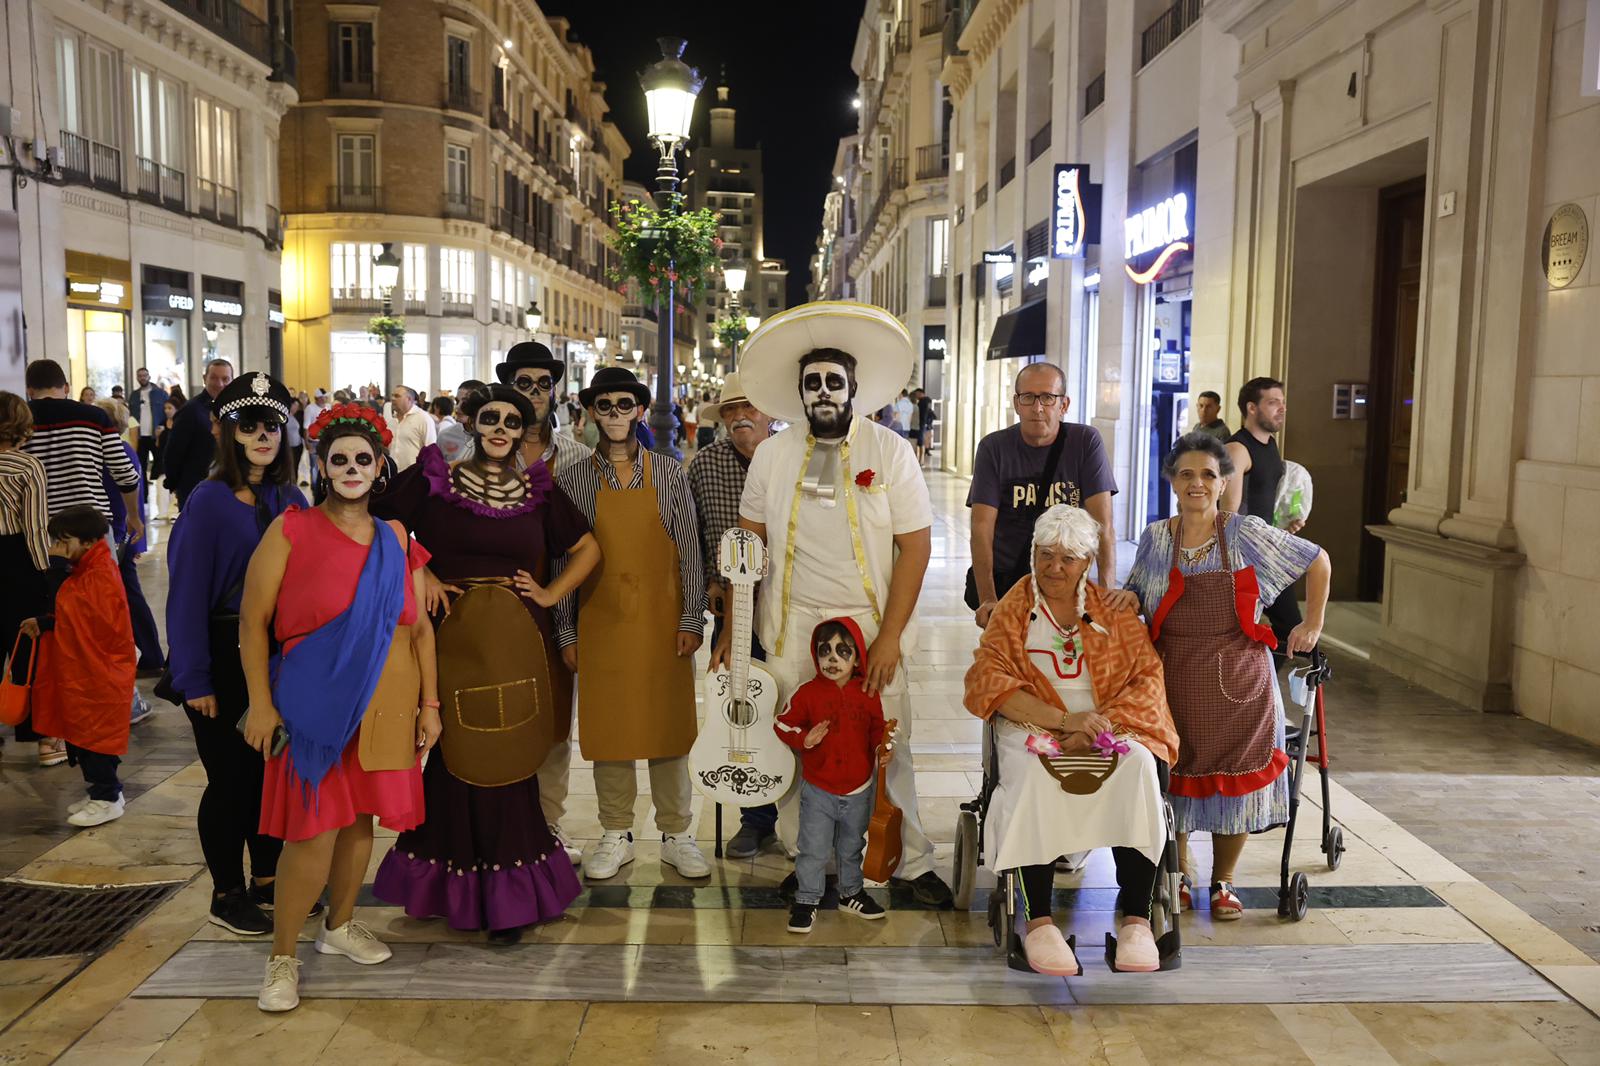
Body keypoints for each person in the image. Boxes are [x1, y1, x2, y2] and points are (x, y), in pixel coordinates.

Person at [719, 301, 952, 907]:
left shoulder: (890, 451)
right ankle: (810, 861)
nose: (823, 392)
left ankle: (906, 858)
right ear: (799, 392)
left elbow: (916, 548)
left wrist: (891, 636)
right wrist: (732, 626)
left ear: (852, 388)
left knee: (886, 742)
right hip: (794, 627)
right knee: (801, 744)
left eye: (833, 381)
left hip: (870, 623)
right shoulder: (772, 453)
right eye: (812, 383)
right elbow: (747, 544)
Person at [371, 386, 600, 943]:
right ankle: (450, 888)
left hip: (519, 640)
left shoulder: (540, 491)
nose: (501, 428)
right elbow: (378, 522)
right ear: (475, 423)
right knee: (453, 752)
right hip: (451, 639)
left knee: (512, 755)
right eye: (492, 418)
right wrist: (419, 570)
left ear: (525, 431)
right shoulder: (436, 479)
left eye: (513, 421)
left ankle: (508, 896)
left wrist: (548, 593)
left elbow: (589, 548)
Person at [240, 407, 440, 1013]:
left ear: (380, 467)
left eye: (362, 459)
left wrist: (430, 704)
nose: (351, 469)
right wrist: (259, 703)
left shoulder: (396, 537)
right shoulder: (290, 530)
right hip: (314, 703)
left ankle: (339, 926)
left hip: (385, 704)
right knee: (314, 830)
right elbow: (253, 622)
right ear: (322, 467)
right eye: (339, 459)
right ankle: (282, 958)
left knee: (360, 821)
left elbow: (421, 628)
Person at [964, 504, 1178, 974]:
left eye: (1067, 558)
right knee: (1034, 776)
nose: (1053, 568)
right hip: (1033, 726)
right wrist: (1064, 721)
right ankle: (1039, 921)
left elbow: (1147, 678)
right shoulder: (1014, 611)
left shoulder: (1112, 611)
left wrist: (1100, 724)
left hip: (1108, 727)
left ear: (1086, 562)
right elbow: (987, 680)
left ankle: (1137, 920)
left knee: (1140, 767)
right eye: (1044, 555)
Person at [1126, 432, 1330, 919]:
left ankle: (1224, 882)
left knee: (1233, 785)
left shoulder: (1245, 533)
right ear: (1172, 482)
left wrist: (1313, 622)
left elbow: (1316, 559)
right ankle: (1177, 873)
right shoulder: (1157, 536)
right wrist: (1125, 599)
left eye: (1208, 475)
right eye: (1186, 474)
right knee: (1171, 777)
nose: (1197, 483)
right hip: (1171, 676)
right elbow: (1139, 589)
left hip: (1240, 682)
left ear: (1223, 484)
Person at [165, 372, 308, 936]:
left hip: (280, 656)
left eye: (271, 424)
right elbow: (186, 595)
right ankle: (226, 891)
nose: (263, 435)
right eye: (249, 425)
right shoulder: (208, 501)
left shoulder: (290, 498)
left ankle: (268, 880)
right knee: (231, 781)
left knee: (272, 772)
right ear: (228, 431)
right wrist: (193, 676)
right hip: (223, 655)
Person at [554, 366, 710, 881]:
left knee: (669, 728)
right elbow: (563, 561)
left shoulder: (668, 472)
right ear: (591, 412)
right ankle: (615, 831)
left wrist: (691, 617)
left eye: (625, 405)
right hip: (600, 619)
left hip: (664, 620)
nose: (616, 414)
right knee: (610, 729)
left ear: (640, 410)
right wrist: (567, 630)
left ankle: (677, 832)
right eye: (606, 405)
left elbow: (689, 549)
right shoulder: (574, 478)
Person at [491, 344, 590, 859]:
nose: (534, 392)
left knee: (554, 723)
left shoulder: (574, 457)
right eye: (524, 383)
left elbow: (590, 542)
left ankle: (547, 825)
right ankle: (504, 823)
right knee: (499, 716)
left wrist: (558, 596)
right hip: (492, 613)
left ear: (555, 390)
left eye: (542, 383)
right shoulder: (477, 455)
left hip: (557, 613)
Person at [686, 372, 778, 859]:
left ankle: (804, 815)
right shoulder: (704, 466)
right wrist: (711, 596)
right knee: (744, 708)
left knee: (794, 709)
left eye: (750, 406)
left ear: (768, 411)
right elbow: (693, 538)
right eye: (730, 409)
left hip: (789, 605)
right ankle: (756, 818)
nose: (741, 416)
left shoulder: (790, 459)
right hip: (733, 611)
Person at [968, 363, 1129, 630]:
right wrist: (988, 598)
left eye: (1047, 398)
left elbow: (1104, 526)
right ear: (1016, 403)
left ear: (1063, 405)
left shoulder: (1085, 442)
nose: (1038, 407)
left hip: (1068, 582)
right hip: (1011, 582)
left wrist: (1105, 593)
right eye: (1028, 397)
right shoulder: (994, 448)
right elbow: (981, 527)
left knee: (1068, 667)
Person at [22, 505, 136, 827]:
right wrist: (46, 624)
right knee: (84, 735)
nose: (56, 547)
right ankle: (103, 791)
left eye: (63, 540)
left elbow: (78, 612)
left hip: (98, 673)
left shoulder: (97, 574)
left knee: (94, 738)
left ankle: (108, 797)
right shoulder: (89, 568)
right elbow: (73, 617)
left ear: (87, 541)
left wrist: (56, 569)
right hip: (88, 671)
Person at [776, 617, 891, 933]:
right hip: (819, 791)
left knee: (851, 846)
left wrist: (883, 748)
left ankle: (851, 893)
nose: (832, 659)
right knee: (812, 848)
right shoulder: (808, 693)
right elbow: (783, 723)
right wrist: (804, 739)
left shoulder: (867, 693)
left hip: (859, 790)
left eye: (843, 651)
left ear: (856, 658)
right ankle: (807, 898)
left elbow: (877, 731)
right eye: (825, 651)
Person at [1221, 377, 1305, 648]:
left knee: (1291, 630)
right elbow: (1228, 514)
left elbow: (1263, 500)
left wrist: (1282, 526)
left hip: (1267, 549)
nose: (1282, 408)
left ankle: (1262, 686)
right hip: (1247, 558)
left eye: (1283, 403)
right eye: (1273, 402)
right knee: (1291, 630)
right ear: (1252, 408)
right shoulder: (1237, 450)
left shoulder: (1269, 445)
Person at [0, 392, 53, 764]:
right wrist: (47, 575)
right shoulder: (27, 466)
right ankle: (42, 739)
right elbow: (35, 529)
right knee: (28, 647)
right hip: (18, 561)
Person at [96, 400, 163, 678]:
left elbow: (130, 497)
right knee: (129, 596)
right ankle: (149, 655)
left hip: (114, 533)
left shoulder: (112, 451)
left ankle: (148, 655)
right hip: (120, 532)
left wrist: (134, 540)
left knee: (125, 597)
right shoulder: (124, 450)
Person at [164, 358, 235, 507]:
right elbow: (174, 452)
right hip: (195, 489)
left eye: (225, 379)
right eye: (214, 378)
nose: (220, 384)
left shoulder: (235, 411)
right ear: (204, 379)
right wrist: (174, 484)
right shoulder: (190, 411)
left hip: (229, 488)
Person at [128, 368, 170, 501]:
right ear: (137, 378)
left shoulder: (160, 394)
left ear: (149, 376)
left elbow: (167, 412)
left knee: (161, 464)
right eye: (139, 376)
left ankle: (163, 496)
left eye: (144, 375)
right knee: (140, 467)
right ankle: (143, 497)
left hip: (156, 435)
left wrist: (163, 427)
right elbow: (130, 416)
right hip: (140, 436)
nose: (142, 378)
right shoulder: (134, 396)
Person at [386, 386, 436, 471]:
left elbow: (431, 451)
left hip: (413, 475)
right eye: (392, 395)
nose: (393, 399)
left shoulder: (423, 418)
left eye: (397, 396)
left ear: (409, 399)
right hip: (394, 475)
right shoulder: (392, 421)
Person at [914, 388, 936, 465]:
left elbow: (923, 415)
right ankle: (921, 460)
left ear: (921, 393)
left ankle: (921, 460)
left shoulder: (922, 402)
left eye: (917, 394)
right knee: (923, 442)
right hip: (926, 424)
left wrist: (921, 424)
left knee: (921, 442)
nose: (916, 395)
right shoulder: (928, 401)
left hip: (922, 425)